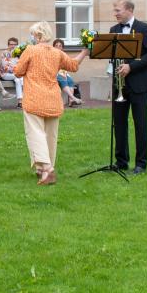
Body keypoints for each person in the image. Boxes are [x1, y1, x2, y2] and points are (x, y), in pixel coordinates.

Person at [14, 22, 88, 186]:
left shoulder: (30, 50)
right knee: (50, 136)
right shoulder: (57, 53)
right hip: (53, 99)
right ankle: (43, 169)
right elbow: (73, 65)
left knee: (35, 134)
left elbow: (18, 71)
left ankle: (47, 168)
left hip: (34, 99)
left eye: (33, 35)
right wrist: (85, 50)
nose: (32, 38)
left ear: (38, 36)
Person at [110, 0, 147, 175]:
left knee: (140, 125)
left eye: (118, 10)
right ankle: (121, 161)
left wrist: (131, 66)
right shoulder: (114, 30)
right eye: (115, 10)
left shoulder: (144, 28)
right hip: (119, 85)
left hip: (138, 84)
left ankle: (141, 164)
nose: (115, 14)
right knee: (119, 124)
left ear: (129, 10)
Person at [52, 39, 83, 107]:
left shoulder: (64, 55)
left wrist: (64, 73)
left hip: (63, 72)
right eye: (56, 45)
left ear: (62, 48)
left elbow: (69, 64)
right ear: (53, 47)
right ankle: (73, 98)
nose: (58, 47)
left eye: (60, 46)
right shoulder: (52, 55)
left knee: (70, 81)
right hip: (54, 73)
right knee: (63, 80)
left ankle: (71, 101)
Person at [0, 37, 24, 108]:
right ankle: (25, 99)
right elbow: (5, 67)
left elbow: (22, 65)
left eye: (15, 44)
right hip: (5, 74)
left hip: (16, 75)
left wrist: (15, 67)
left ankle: (20, 102)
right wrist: (16, 67)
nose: (13, 46)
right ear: (8, 45)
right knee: (20, 78)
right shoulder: (5, 53)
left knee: (18, 80)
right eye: (11, 44)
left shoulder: (19, 53)